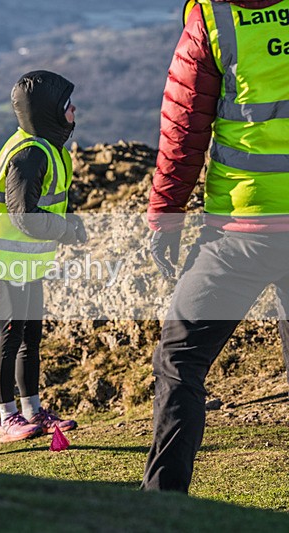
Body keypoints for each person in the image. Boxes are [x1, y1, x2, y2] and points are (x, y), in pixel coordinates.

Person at [143, 0, 289, 492]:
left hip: (239, 233)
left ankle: (162, 502)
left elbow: (183, 131)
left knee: (179, 361)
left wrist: (166, 218)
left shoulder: (212, 20)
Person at [0, 71, 84, 443]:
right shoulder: (31, 153)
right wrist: (66, 230)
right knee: (11, 335)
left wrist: (69, 222)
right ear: (48, 112)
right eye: (67, 106)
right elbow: (24, 216)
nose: (73, 111)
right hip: (6, 259)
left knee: (30, 335)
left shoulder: (48, 148)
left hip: (27, 258)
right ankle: (8, 419)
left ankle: (33, 411)